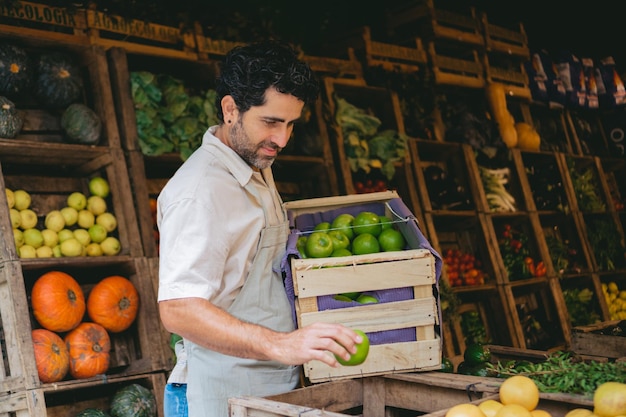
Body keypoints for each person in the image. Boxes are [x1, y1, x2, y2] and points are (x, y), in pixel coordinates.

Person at [156, 40, 363, 417]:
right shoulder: (200, 193)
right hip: (219, 397)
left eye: (290, 125)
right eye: (270, 122)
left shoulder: (254, 161)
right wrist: (280, 345)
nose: (281, 139)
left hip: (264, 389)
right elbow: (178, 309)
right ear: (231, 109)